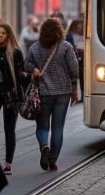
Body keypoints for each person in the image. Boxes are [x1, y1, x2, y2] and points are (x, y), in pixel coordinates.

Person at [24, 17, 79, 172]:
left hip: (43, 93)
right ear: (59, 30)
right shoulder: (66, 47)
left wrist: (33, 69)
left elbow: (26, 64)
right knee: (58, 128)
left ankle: (44, 147)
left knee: (42, 126)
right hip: (63, 93)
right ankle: (53, 160)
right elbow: (74, 69)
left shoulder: (35, 47)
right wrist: (74, 87)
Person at [0, 23, 28, 175]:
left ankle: (8, 164)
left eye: (3, 33)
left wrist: (29, 78)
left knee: (9, 130)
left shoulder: (16, 53)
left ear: (8, 35)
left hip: (12, 96)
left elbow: (21, 74)